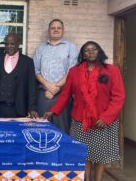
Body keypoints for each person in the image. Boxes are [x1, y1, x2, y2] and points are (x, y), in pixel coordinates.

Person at [44, 41, 125, 181]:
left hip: (103, 122)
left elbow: (119, 97)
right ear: (82, 54)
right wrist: (53, 110)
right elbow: (65, 95)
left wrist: (106, 117)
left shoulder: (112, 70)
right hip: (80, 121)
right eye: (87, 50)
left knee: (100, 156)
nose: (91, 52)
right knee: (83, 154)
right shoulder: (74, 72)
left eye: (94, 49)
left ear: (99, 51)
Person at [34, 19, 78, 133]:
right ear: (49, 30)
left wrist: (56, 88)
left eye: (59, 28)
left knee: (62, 129)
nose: (56, 30)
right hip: (44, 94)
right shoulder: (40, 48)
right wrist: (48, 86)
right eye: (53, 28)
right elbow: (36, 70)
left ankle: (62, 151)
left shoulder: (71, 47)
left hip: (63, 94)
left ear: (63, 30)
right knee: (42, 128)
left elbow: (72, 70)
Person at [0, 33, 38, 118]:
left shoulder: (27, 62)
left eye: (12, 44)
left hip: (18, 109)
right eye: (7, 44)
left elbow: (32, 87)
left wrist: (32, 107)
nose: (9, 46)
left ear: (18, 44)